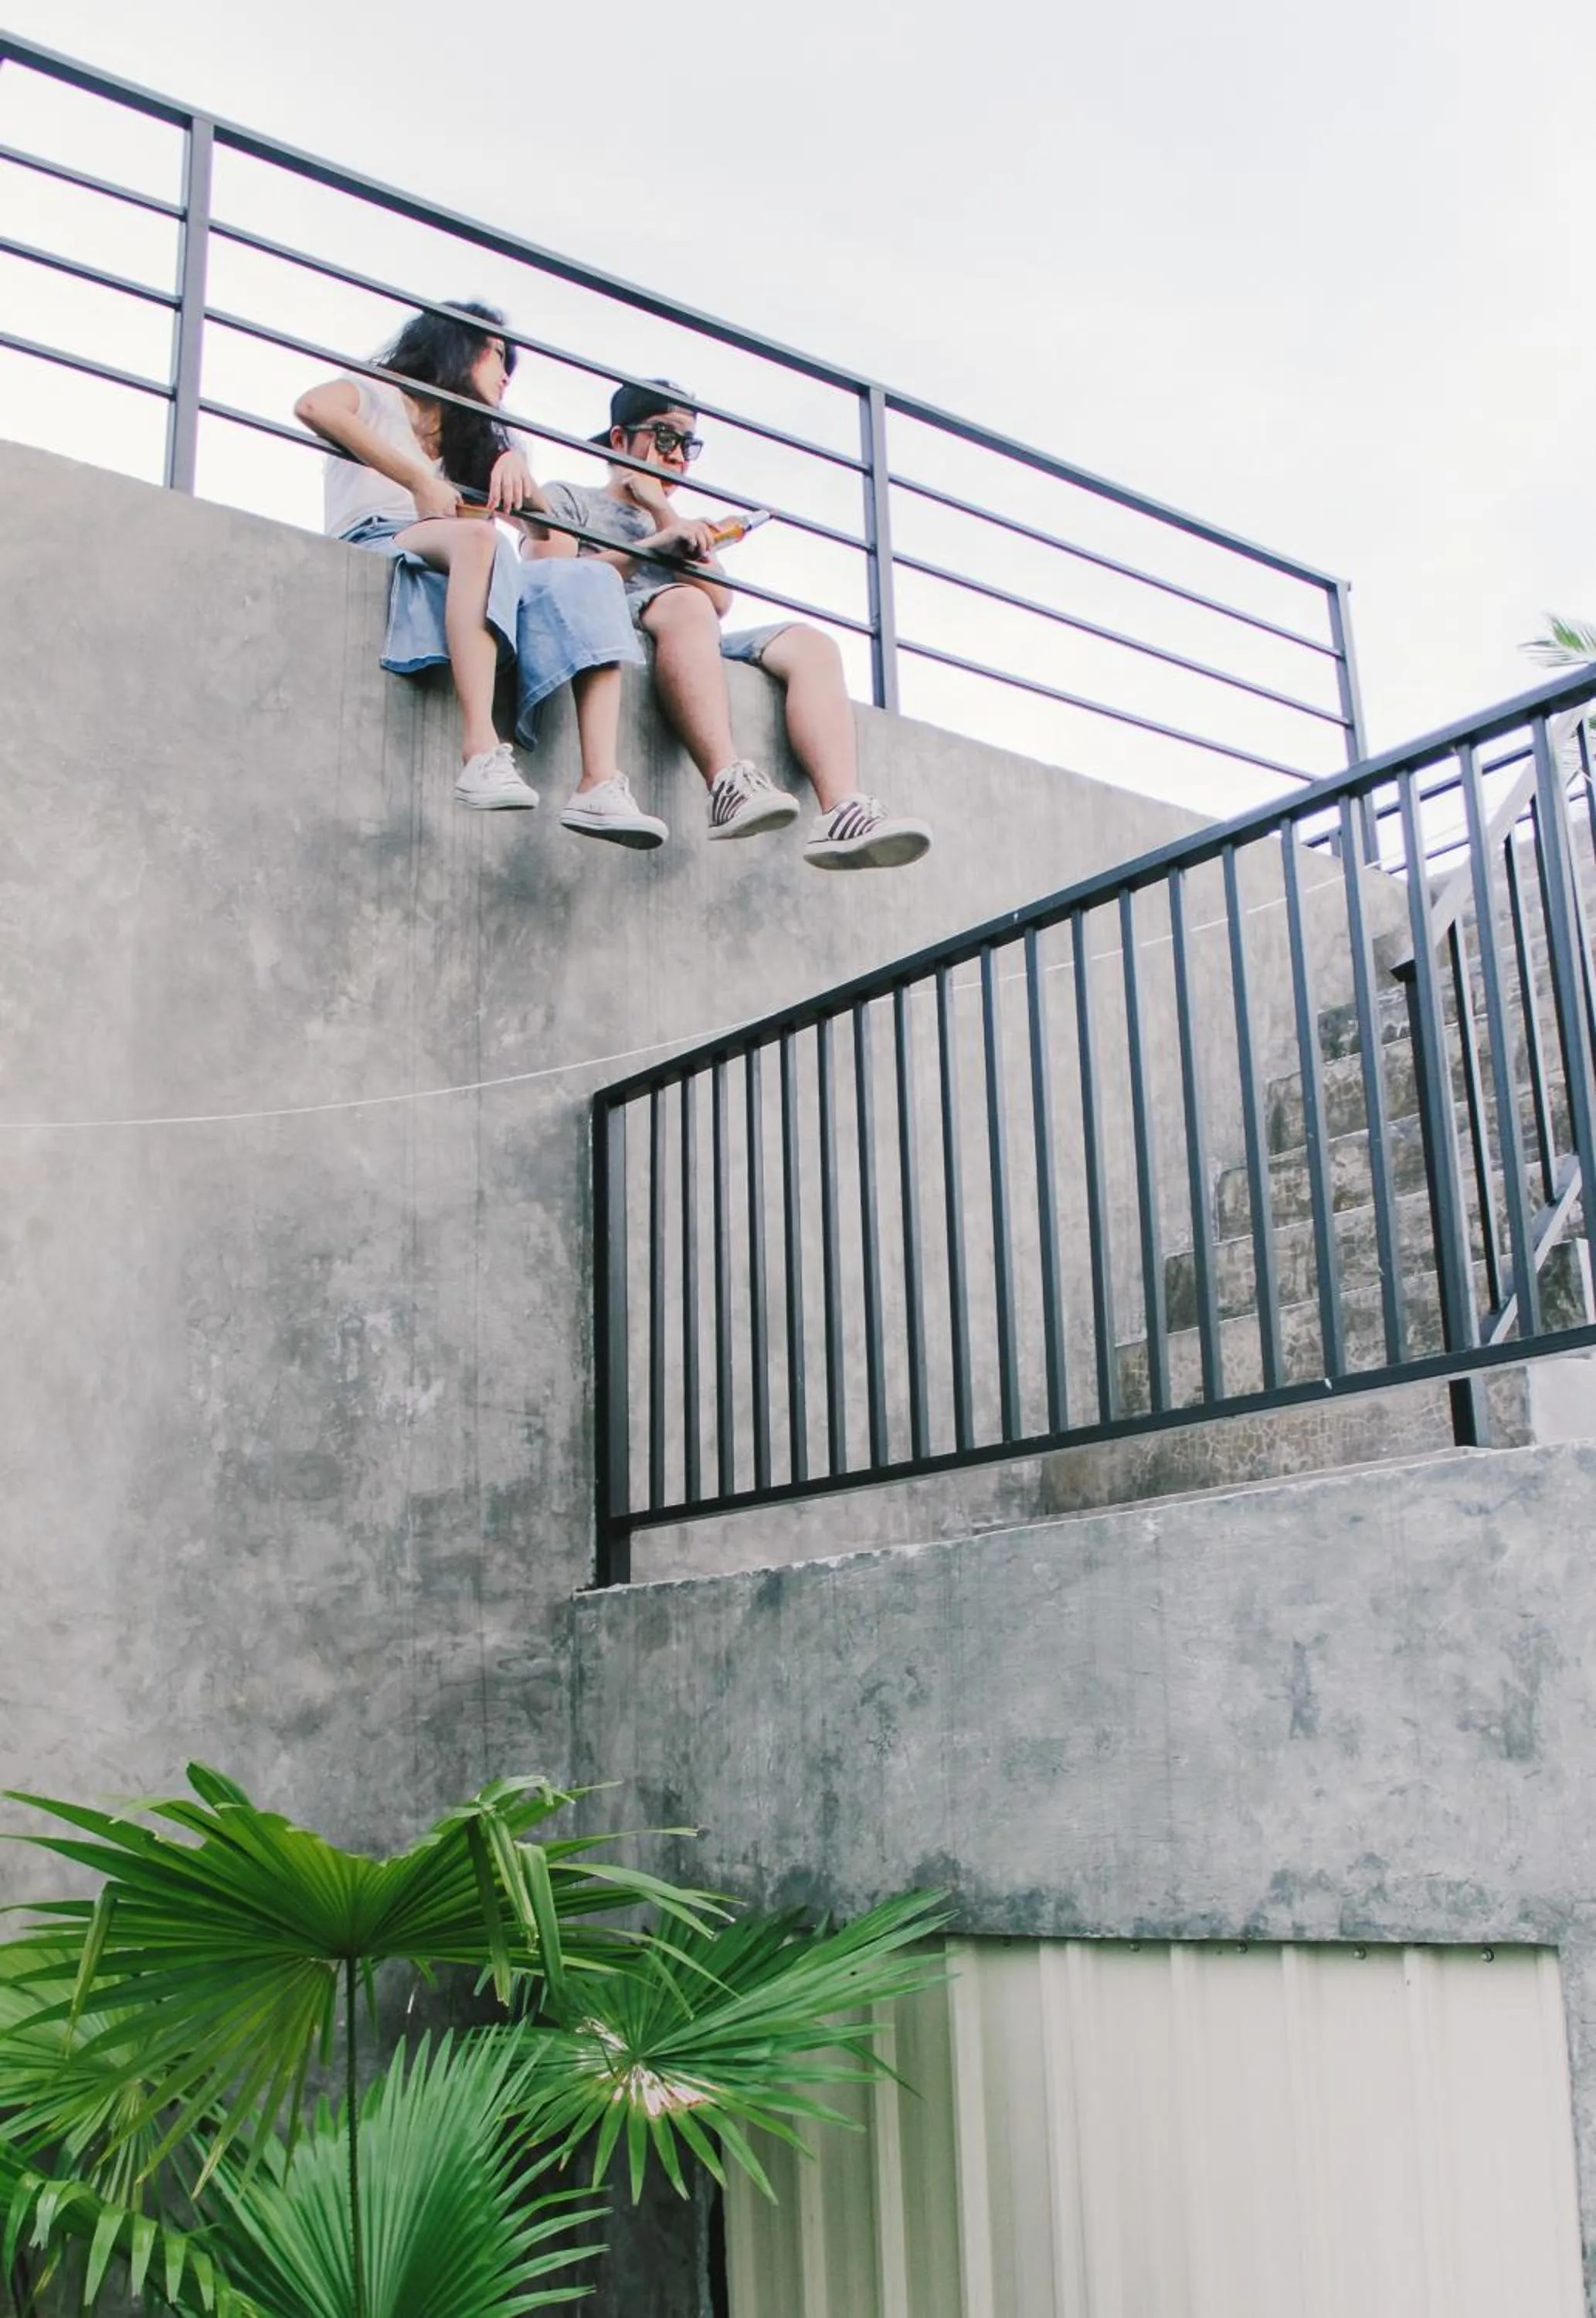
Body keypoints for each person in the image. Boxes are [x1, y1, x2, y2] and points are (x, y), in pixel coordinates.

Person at [531, 380, 932, 868]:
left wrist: (662, 511)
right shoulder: (571, 499)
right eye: (664, 437)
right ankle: (726, 782)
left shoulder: (674, 517)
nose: (677, 454)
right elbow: (548, 577)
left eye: (688, 444)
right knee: (685, 605)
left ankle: (841, 809)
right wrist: (654, 550)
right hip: (629, 625)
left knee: (812, 644)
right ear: (620, 440)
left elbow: (720, 602)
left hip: (696, 637)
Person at [294, 303, 649, 829]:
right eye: (499, 355)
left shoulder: (485, 440)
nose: (507, 375)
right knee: (480, 540)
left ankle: (599, 782)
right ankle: (481, 749)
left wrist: (520, 478)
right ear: (457, 344)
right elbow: (313, 407)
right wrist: (417, 479)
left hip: (458, 547)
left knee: (592, 575)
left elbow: (552, 552)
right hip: (377, 534)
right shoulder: (378, 392)